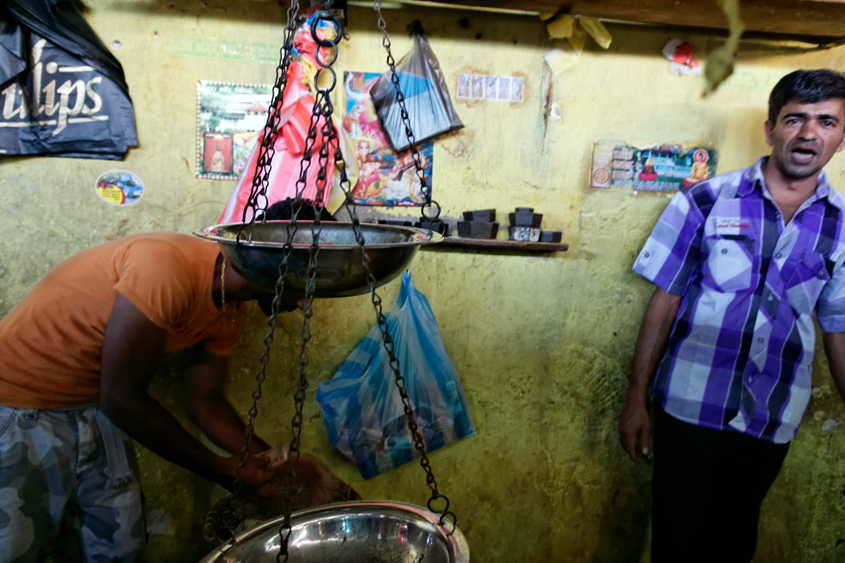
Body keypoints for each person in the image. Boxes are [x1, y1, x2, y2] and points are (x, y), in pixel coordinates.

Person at [0, 201, 328, 562]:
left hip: (92, 406)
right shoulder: (167, 267)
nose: (302, 303)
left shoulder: (232, 309)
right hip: (19, 403)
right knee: (15, 547)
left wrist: (280, 465)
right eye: (301, 283)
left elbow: (207, 402)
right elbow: (122, 398)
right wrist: (218, 468)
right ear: (268, 260)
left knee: (120, 549)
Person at [618, 69, 845, 563]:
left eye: (827, 121)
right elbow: (665, 300)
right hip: (688, 405)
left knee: (736, 540)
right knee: (675, 540)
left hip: (772, 414)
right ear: (770, 129)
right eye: (795, 119)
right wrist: (637, 398)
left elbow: (838, 328)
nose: (809, 133)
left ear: (842, 137)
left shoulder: (842, 226)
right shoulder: (704, 200)